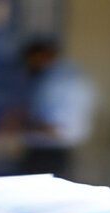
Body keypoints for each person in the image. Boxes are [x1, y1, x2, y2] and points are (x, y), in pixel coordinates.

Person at [17, 39, 96, 177]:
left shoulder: (59, 81)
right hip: (56, 149)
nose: (29, 65)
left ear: (41, 55)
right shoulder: (71, 74)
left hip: (49, 152)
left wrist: (18, 125)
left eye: (31, 60)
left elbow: (53, 127)